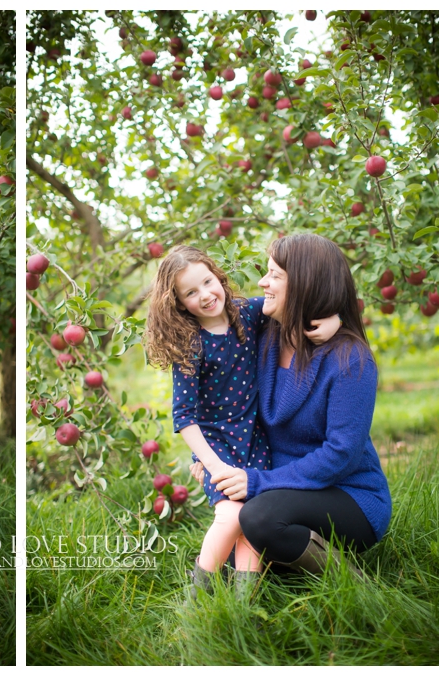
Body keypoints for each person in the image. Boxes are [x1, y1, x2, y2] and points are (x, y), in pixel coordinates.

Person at [143, 245, 340, 597]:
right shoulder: (191, 346)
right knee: (230, 517)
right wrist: (210, 463)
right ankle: (196, 598)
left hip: (253, 439)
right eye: (191, 292)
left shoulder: (246, 314)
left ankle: (243, 603)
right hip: (217, 445)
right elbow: (185, 416)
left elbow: (292, 305)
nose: (205, 295)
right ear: (178, 304)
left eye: (207, 282)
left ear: (218, 277)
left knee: (250, 519)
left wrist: (334, 318)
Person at [206, 233, 392, 578]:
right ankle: (292, 553)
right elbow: (226, 405)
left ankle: (352, 582)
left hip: (348, 494)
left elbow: (342, 454)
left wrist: (259, 482)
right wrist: (205, 456)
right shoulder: (262, 338)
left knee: (258, 519)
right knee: (232, 559)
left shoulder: (349, 359)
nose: (263, 281)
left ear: (305, 284)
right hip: (282, 487)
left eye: (275, 275)